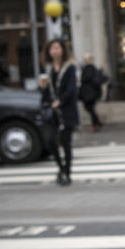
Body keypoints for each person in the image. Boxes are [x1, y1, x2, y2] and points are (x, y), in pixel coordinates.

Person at [43, 38, 78, 186]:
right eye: (52, 48)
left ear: (63, 50)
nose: (55, 51)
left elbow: (72, 89)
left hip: (67, 111)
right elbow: (46, 91)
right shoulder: (49, 70)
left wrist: (60, 101)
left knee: (66, 143)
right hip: (53, 113)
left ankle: (67, 173)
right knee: (50, 141)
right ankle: (61, 167)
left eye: (57, 48)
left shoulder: (70, 68)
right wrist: (47, 101)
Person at [36, 73, 64, 177]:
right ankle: (61, 165)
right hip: (46, 120)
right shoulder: (38, 92)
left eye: (43, 81)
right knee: (50, 142)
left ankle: (62, 166)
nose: (41, 83)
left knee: (53, 141)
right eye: (40, 81)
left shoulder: (50, 91)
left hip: (52, 120)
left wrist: (53, 105)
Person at [78, 53, 107, 131]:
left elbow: (87, 78)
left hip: (89, 93)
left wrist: (81, 79)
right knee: (90, 108)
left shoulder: (88, 67)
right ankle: (97, 123)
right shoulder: (93, 67)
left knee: (89, 108)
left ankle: (96, 124)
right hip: (92, 92)